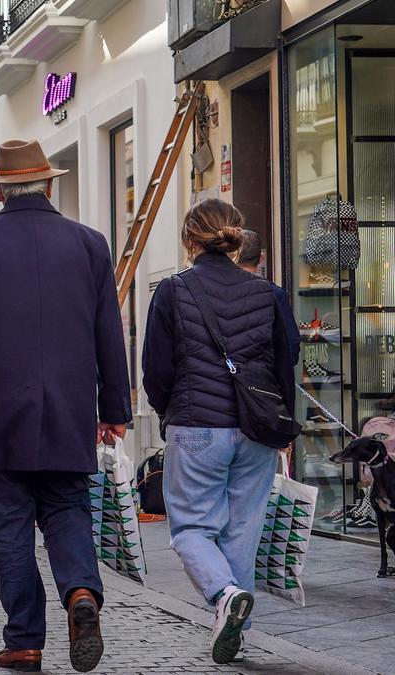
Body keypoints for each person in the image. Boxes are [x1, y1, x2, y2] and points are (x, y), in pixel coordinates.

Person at [0, 140, 131, 673]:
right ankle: (80, 594)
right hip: (69, 410)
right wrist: (113, 406)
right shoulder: (90, 244)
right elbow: (107, 334)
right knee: (68, 509)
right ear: (50, 184)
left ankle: (24, 641)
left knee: (9, 528)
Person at [142, 199, 295, 664]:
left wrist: (167, 409)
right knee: (242, 531)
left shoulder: (172, 291)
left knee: (191, 527)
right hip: (256, 429)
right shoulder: (270, 294)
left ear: (189, 239)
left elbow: (156, 369)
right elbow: (284, 364)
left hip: (197, 427)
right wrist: (282, 424)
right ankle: (235, 628)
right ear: (235, 237)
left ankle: (224, 596)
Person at [237, 229, 300, 365]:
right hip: (264, 378)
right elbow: (291, 346)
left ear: (232, 256)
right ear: (261, 258)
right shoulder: (275, 294)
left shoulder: (217, 291)